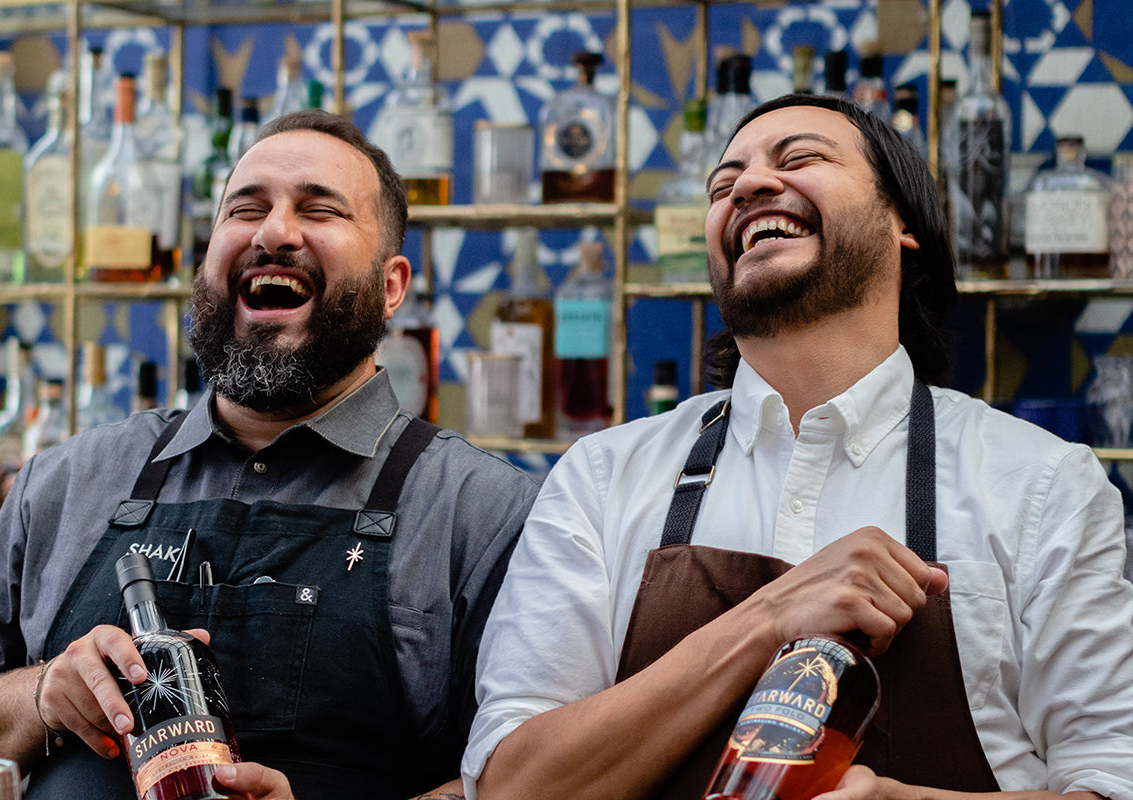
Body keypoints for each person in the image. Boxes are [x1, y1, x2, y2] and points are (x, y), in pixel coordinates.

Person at [462, 94, 1133, 800]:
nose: (747, 186)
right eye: (725, 186)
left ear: (903, 220)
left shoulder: (1044, 484)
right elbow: (513, 784)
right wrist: (771, 617)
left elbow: (1111, 781)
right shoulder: (601, 479)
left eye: (800, 158)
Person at [0, 109, 541, 800]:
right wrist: (42, 693)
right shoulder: (68, 480)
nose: (274, 231)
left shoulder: (483, 512)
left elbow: (539, 781)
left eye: (318, 208)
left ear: (391, 286)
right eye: (246, 208)